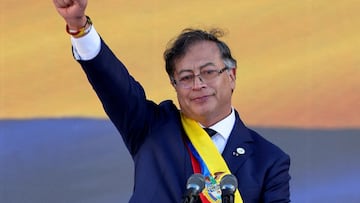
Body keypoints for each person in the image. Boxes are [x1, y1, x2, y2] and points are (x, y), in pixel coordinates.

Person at [53, 0, 291, 202]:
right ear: (174, 85)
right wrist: (79, 26)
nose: (198, 84)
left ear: (231, 75)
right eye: (186, 77)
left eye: (208, 72)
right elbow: (112, 83)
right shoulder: (150, 127)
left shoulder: (268, 161)